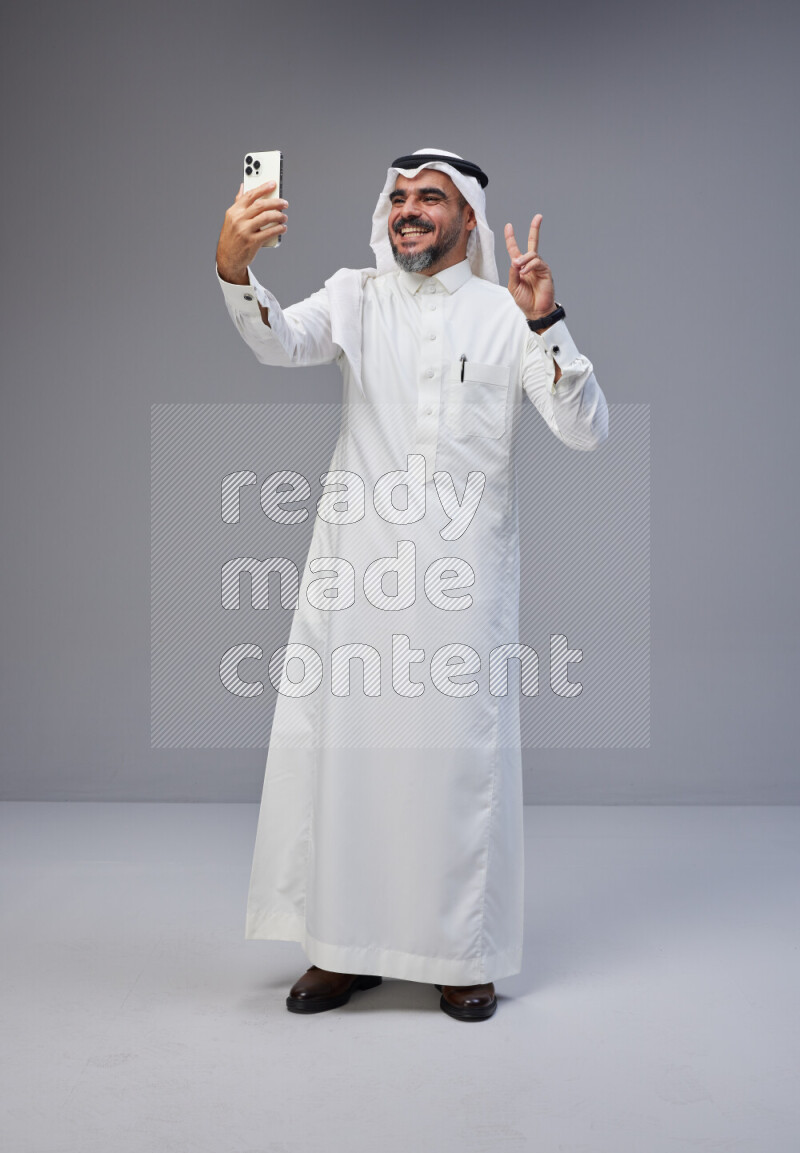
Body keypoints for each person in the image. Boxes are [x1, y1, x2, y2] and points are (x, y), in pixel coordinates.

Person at [215, 148, 608, 1022]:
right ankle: (339, 948)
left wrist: (548, 323)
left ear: (467, 218)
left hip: (465, 583)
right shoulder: (354, 296)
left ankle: (460, 955)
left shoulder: (506, 314)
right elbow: (280, 340)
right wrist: (235, 270)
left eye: (430, 197)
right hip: (360, 574)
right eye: (398, 197)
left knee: (454, 768)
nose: (409, 210)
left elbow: (585, 431)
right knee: (350, 762)